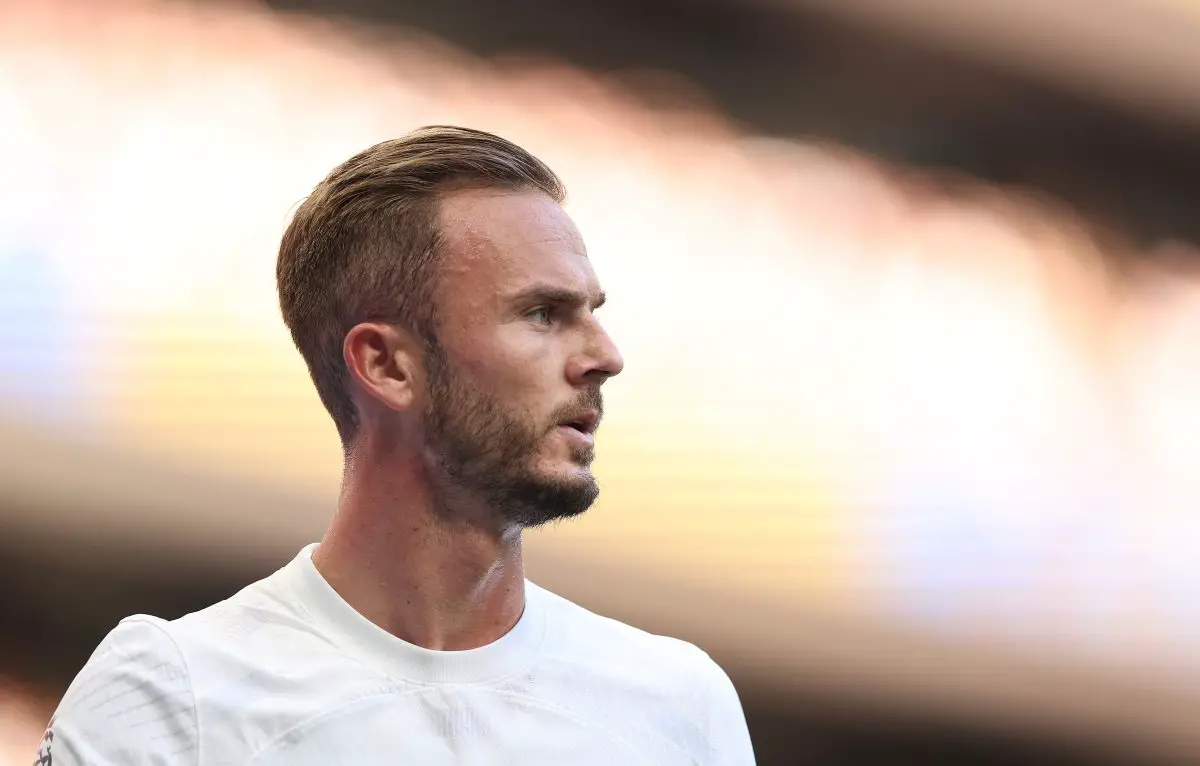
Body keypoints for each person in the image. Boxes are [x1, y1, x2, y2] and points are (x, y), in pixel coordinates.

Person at [37, 126, 756, 765]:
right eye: (542, 314)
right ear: (385, 365)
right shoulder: (174, 695)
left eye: (592, 313)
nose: (605, 355)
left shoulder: (679, 707)